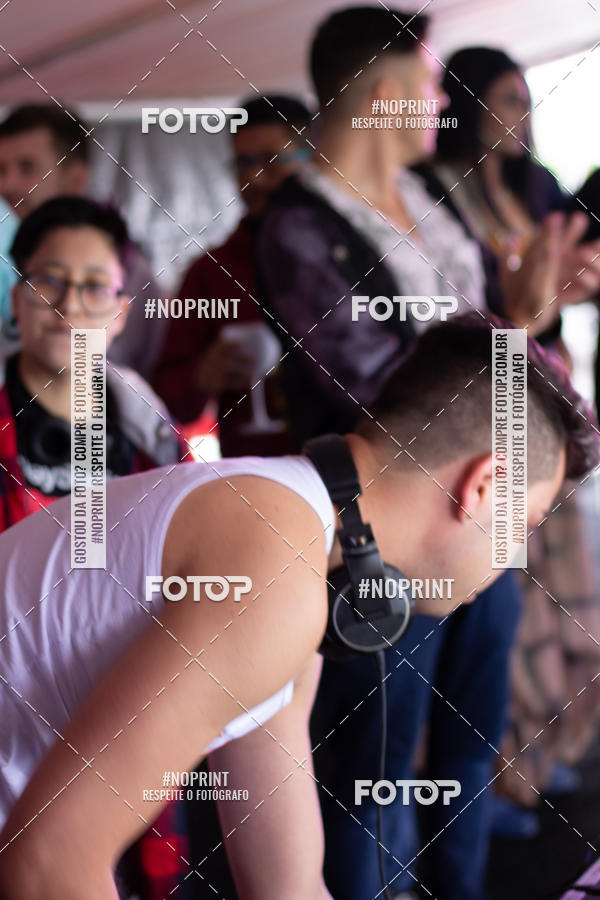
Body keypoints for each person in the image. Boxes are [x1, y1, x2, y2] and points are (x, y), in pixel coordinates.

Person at [0, 314, 594, 900]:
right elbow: (47, 865)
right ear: (484, 486)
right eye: (525, 522)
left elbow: (288, 886)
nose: (515, 550)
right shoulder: (277, 570)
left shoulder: (298, 548)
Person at [253, 9, 533, 898]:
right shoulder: (298, 227)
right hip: (380, 542)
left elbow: (511, 361)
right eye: (422, 86)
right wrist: (514, 332)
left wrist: (530, 323)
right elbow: (378, 398)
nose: (436, 104)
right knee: (370, 773)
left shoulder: (443, 208)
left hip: (486, 520)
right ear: (379, 95)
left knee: (465, 757)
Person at [427, 46, 600, 837]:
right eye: (504, 100)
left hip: (547, 403)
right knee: (504, 605)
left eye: (527, 101)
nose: (519, 118)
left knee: (559, 598)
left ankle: (547, 749)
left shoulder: (537, 190)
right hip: (484, 415)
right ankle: (497, 785)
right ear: (465, 105)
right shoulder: (433, 196)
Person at [0, 195, 188, 899]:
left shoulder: (148, 429)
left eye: (93, 285)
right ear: (18, 299)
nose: (68, 302)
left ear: (119, 312)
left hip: (123, 702)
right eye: (49, 280)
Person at [152, 94, 312, 457]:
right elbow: (165, 399)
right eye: (243, 163)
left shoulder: (350, 261)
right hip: (252, 487)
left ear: (313, 161)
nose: (254, 178)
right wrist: (200, 377)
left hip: (352, 480)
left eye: (272, 162)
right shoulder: (210, 273)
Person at [0, 105, 162, 375]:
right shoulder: (8, 258)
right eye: (1, 170)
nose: (8, 185)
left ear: (75, 178)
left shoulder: (123, 269)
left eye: (27, 168)